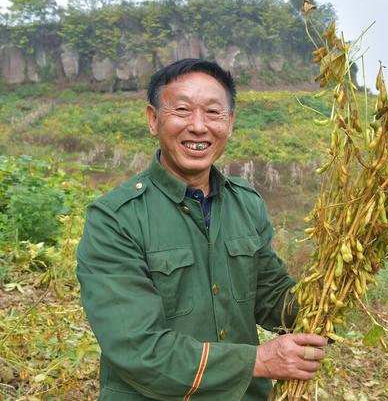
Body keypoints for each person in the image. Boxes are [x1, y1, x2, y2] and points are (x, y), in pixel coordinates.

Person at [76, 58, 327, 401]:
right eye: (182, 110)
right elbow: (137, 348)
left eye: (212, 113)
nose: (198, 126)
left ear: (230, 122)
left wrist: (337, 287)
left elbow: (271, 298)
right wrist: (258, 360)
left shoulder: (245, 203)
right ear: (154, 120)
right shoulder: (115, 218)